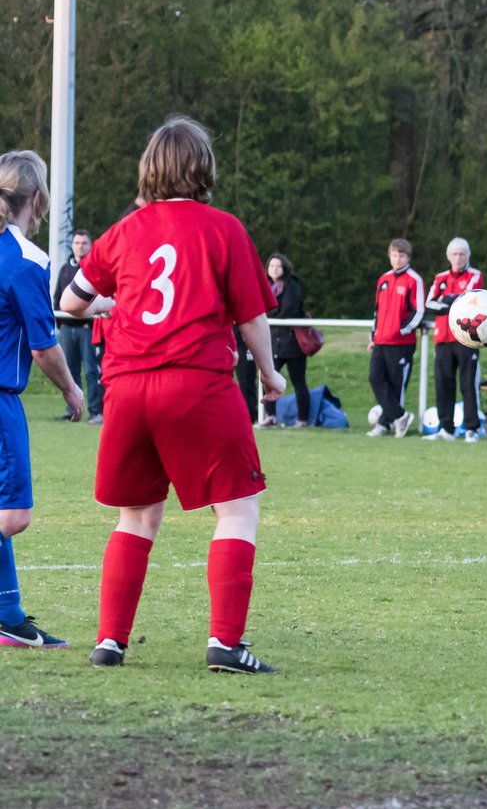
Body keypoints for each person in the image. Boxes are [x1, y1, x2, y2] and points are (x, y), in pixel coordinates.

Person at [61, 116, 286, 673]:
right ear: (203, 168)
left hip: (128, 387)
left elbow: (70, 301)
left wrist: (112, 306)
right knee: (236, 509)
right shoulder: (223, 228)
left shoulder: (123, 231)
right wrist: (270, 374)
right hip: (196, 383)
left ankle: (110, 642)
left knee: (136, 518)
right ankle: (226, 645)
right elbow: (252, 314)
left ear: (149, 170)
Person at [0, 149, 85, 650]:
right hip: (2, 402)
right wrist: (72, 390)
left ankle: (8, 616)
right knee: (12, 516)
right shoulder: (26, 260)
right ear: (39, 197)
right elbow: (42, 343)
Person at [423, 237, 484, 443]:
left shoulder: (475, 276)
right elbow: (429, 304)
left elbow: (470, 301)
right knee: (443, 384)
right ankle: (446, 429)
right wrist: (453, 301)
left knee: (468, 384)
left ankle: (471, 429)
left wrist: (446, 300)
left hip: (467, 337)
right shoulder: (440, 278)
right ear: (448, 256)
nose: (458, 258)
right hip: (443, 338)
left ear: (468, 255)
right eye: (455, 254)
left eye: (462, 254)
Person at [367, 238, 424, 438]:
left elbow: (418, 312)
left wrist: (401, 330)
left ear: (408, 257)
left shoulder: (413, 280)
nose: (397, 259)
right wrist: (373, 336)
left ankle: (386, 424)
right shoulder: (383, 279)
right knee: (375, 378)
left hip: (401, 343)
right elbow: (377, 311)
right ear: (389, 256)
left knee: (396, 384)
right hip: (380, 341)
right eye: (394, 255)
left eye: (401, 256)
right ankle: (400, 417)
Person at [53, 229, 104, 423]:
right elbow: (58, 296)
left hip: (86, 328)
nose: (80, 246)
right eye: (76, 243)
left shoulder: (94, 269)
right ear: (72, 245)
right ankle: (72, 410)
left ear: (90, 245)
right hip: (67, 328)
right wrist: (60, 324)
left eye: (83, 243)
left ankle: (94, 411)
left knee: (91, 370)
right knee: (70, 371)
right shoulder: (66, 269)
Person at [258, 254, 310, 428]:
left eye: (277, 266)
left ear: (284, 268)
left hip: (292, 342)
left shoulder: (292, 286)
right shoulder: (266, 286)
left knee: (298, 381)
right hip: (273, 342)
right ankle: (270, 416)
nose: (274, 269)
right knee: (268, 378)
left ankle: (303, 419)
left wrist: (266, 314)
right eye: (271, 266)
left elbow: (287, 311)